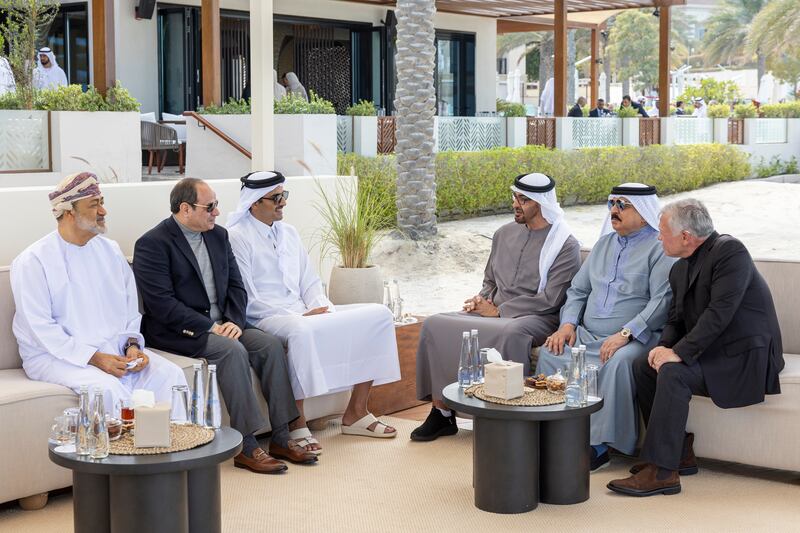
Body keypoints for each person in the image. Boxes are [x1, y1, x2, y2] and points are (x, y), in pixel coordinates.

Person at [133, 178, 316, 474]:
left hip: (225, 323)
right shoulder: (152, 244)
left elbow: (237, 286)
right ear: (185, 209)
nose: (217, 212)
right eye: (210, 207)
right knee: (232, 351)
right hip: (180, 332)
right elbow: (161, 304)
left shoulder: (219, 236)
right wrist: (211, 327)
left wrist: (232, 320)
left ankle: (282, 436)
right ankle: (246, 445)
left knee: (269, 345)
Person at [608, 199, 784, 497]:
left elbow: (720, 313)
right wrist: (662, 348)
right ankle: (677, 452)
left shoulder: (730, 252)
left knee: (674, 372)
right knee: (645, 365)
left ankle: (663, 472)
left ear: (686, 236)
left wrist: (677, 354)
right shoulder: (679, 269)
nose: (658, 236)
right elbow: (676, 319)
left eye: (662, 231)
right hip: (712, 350)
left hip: (745, 355)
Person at [227, 171, 401, 447]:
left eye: (284, 195)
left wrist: (321, 307)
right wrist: (299, 316)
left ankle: (356, 412)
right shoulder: (237, 237)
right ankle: (297, 421)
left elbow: (309, 281)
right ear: (254, 203)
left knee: (377, 315)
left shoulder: (290, 233)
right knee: (300, 330)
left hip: (304, 312)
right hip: (269, 317)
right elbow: (248, 298)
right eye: (276, 198)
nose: (283, 202)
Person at [412, 173, 582, 441]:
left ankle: (507, 417)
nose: (516, 203)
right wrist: (481, 300)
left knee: (511, 332)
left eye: (524, 199)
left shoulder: (565, 244)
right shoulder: (502, 234)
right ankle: (441, 412)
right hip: (494, 311)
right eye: (515, 197)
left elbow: (552, 298)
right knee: (435, 323)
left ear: (541, 203)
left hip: (537, 317)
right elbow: (489, 281)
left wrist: (500, 312)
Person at [10, 172, 188, 413]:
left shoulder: (111, 251)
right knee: (108, 389)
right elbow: (40, 328)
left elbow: (130, 310)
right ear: (69, 212)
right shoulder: (33, 261)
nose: (103, 211)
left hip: (112, 350)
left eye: (102, 202)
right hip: (54, 358)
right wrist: (95, 358)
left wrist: (132, 347)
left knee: (170, 375)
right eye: (94, 205)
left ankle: (175, 447)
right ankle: (125, 450)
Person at [537, 183, 675, 470]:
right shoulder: (603, 245)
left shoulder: (660, 249)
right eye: (612, 204)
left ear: (645, 211)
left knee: (618, 362)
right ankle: (550, 430)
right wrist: (567, 325)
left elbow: (662, 301)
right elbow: (577, 291)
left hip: (635, 336)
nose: (614, 211)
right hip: (588, 333)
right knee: (552, 351)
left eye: (623, 206)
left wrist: (626, 334)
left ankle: (599, 446)